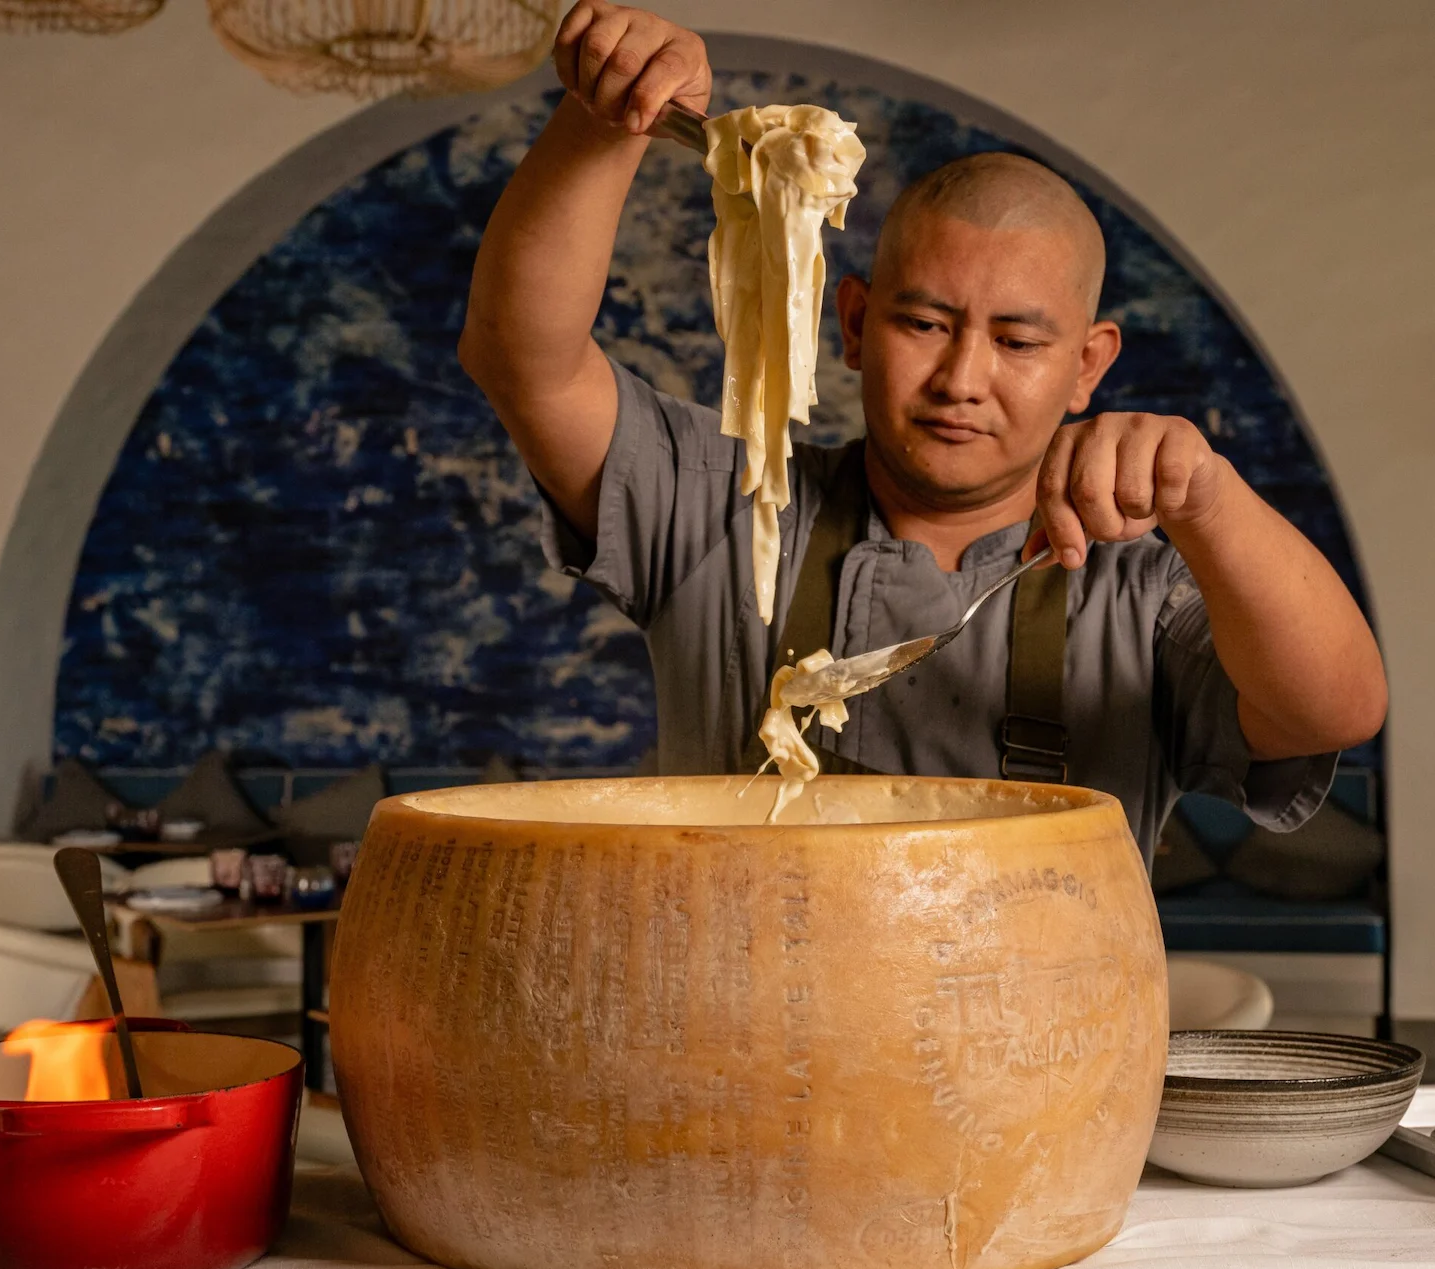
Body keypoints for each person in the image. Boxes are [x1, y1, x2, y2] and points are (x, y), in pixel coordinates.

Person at [459, 0, 1387, 860]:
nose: (961, 380)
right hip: (731, 1032)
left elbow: (1333, 711)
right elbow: (522, 357)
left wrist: (1211, 502)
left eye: (1018, 339)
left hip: (1039, 1039)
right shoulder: (725, 507)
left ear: (1089, 366)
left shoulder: (1141, 596)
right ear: (855, 325)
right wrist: (605, 118)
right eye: (925, 325)